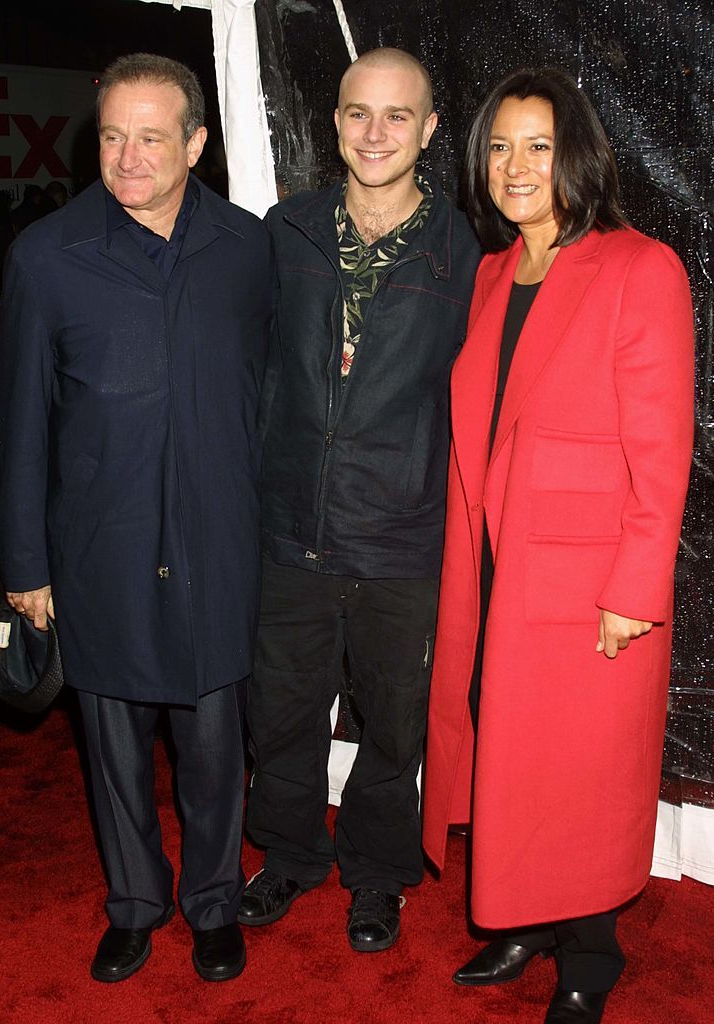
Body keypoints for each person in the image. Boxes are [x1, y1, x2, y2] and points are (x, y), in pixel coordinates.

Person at [0, 53, 272, 984]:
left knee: (212, 742)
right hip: (98, 547)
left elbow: (268, 394)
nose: (128, 157)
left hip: (216, 539)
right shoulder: (45, 256)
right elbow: (19, 420)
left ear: (195, 141)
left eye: (152, 136)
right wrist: (23, 564)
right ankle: (136, 904)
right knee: (111, 748)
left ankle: (214, 901)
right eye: (112, 135)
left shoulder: (245, 248)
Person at [422, 67, 694, 1024]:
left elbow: (662, 454)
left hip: (587, 580)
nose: (515, 165)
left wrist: (633, 587)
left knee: (576, 768)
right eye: (499, 146)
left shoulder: (640, 266)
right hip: (498, 561)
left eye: (538, 145)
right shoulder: (497, 271)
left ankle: (591, 943)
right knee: (509, 751)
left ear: (579, 154)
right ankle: (526, 917)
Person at [240, 47, 481, 952]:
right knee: (283, 710)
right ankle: (293, 855)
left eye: (397, 116)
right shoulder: (285, 231)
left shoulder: (465, 252)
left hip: (402, 537)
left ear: (427, 130)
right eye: (356, 114)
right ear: (333, 122)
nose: (375, 133)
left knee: (394, 724)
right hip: (290, 524)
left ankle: (379, 874)